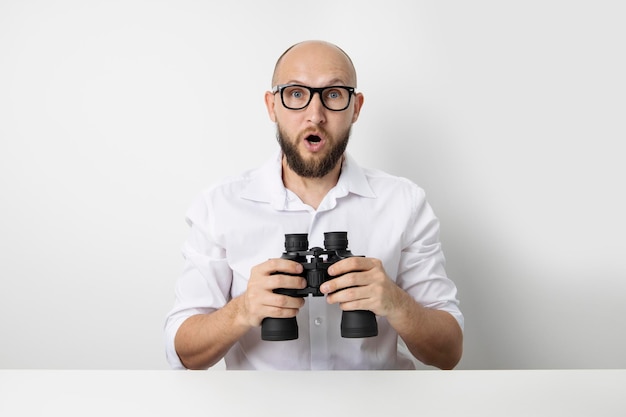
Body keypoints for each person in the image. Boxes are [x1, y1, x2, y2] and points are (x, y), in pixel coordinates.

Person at [164, 40, 463, 370]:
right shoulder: (219, 206)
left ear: (356, 107)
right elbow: (182, 353)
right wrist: (244, 309)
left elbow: (448, 353)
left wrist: (395, 303)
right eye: (295, 94)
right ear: (272, 106)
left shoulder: (404, 203)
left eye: (333, 95)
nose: (315, 115)